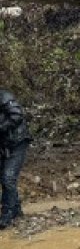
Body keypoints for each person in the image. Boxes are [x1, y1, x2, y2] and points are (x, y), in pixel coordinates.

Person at [0, 89, 31, 229]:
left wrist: (1, 127)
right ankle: (16, 210)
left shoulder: (4, 96)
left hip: (18, 141)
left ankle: (7, 214)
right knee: (5, 177)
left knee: (8, 177)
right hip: (4, 144)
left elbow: (17, 115)